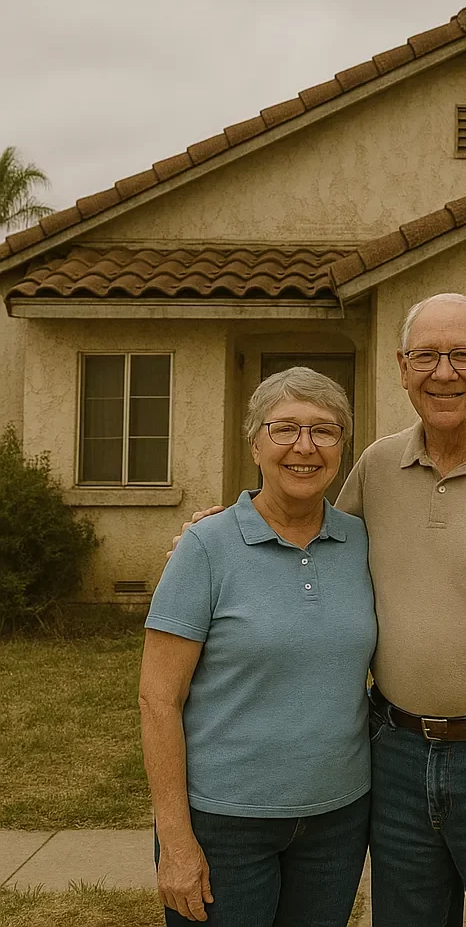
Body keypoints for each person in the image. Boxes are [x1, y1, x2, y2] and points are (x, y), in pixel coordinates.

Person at [175, 293, 466, 927]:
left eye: (462, 355)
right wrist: (221, 528)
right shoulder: (378, 468)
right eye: (426, 356)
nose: (444, 372)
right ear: (401, 366)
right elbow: (308, 531)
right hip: (396, 760)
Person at [140, 367, 376, 926]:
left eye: (325, 431)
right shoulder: (206, 545)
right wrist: (174, 839)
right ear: (254, 443)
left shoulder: (362, 542)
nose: (305, 447)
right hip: (225, 823)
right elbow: (158, 700)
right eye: (285, 429)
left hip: (337, 821)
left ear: (343, 446)